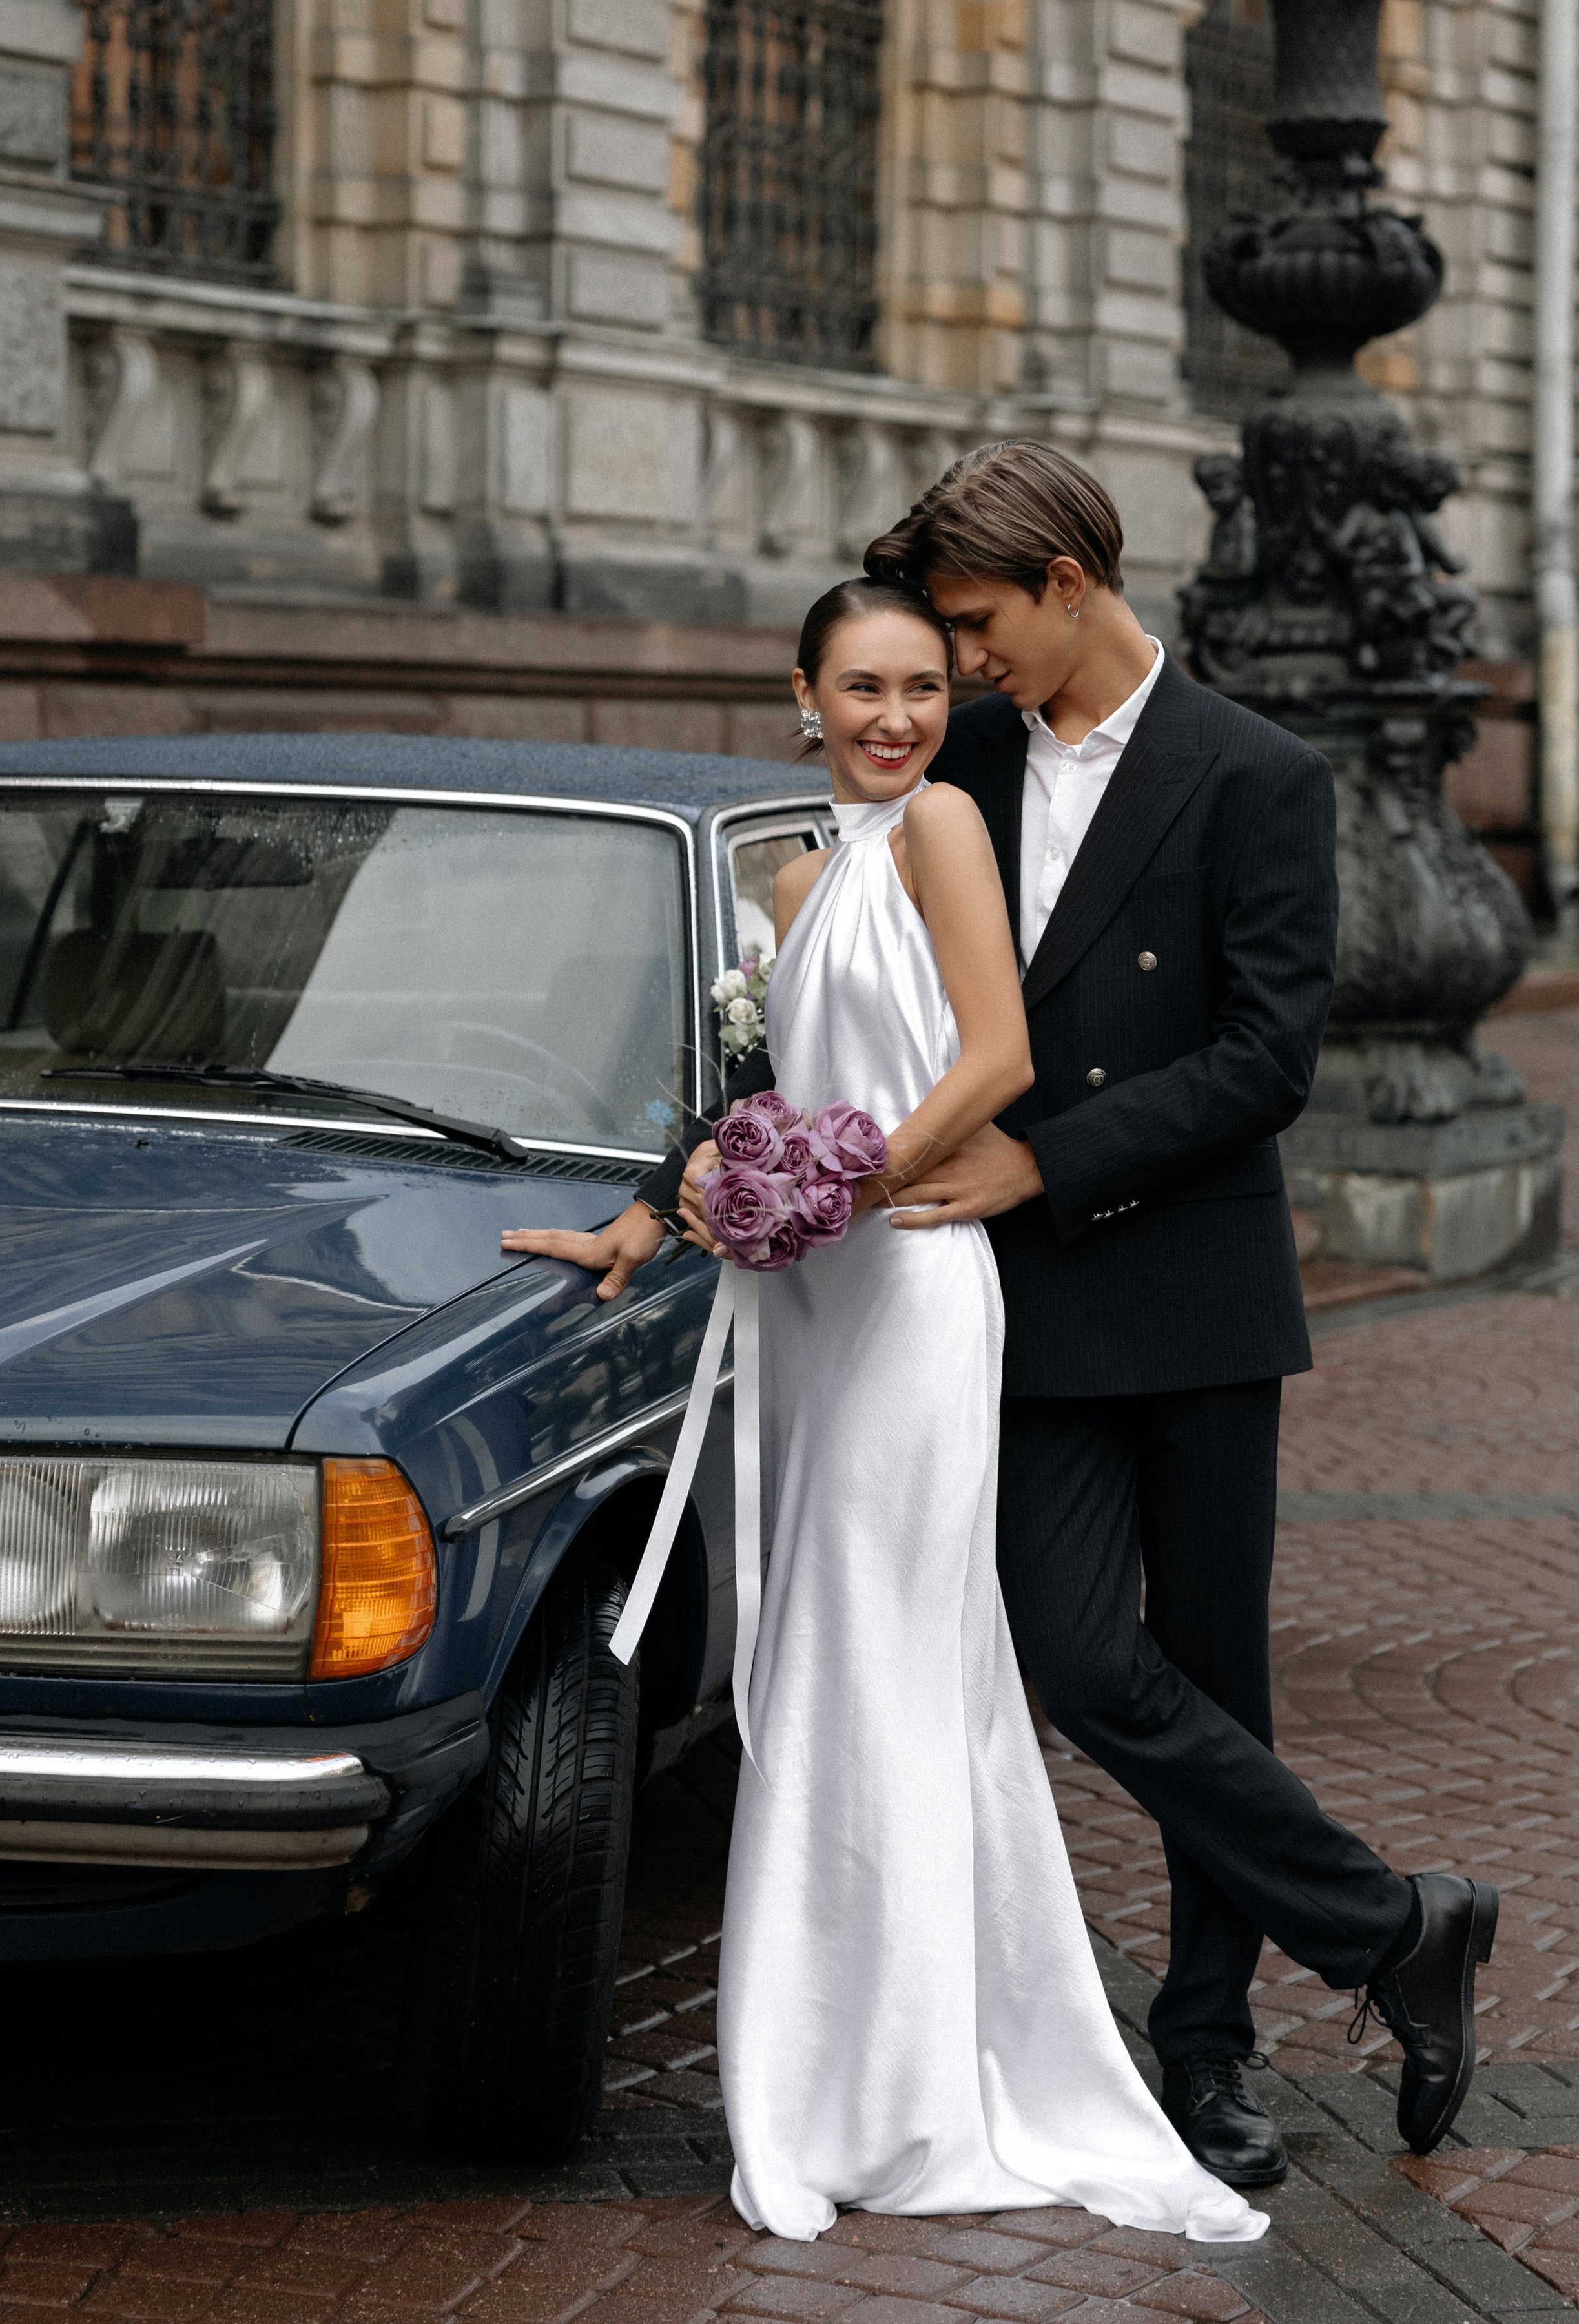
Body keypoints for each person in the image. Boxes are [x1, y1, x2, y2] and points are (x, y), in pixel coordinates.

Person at [505, 577, 1263, 2244]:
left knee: (891, 1648)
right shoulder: (797, 870)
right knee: (811, 1653)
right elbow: (762, 1094)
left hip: (911, 1287)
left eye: (925, 684)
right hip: (810, 1303)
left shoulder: (941, 836)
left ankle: (918, 2085)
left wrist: (832, 1191)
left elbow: (993, 1060)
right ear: (803, 690)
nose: (898, 715)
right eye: (865, 685)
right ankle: (831, 2068)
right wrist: (662, 1210)